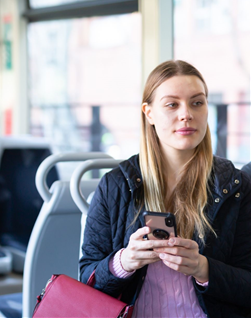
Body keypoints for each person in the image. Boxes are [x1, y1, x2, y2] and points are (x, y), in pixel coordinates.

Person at [79, 60, 251, 318]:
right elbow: (86, 280)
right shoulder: (115, 186)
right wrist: (124, 262)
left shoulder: (234, 187)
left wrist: (204, 269)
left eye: (197, 102)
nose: (186, 114)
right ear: (148, 113)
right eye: (172, 104)